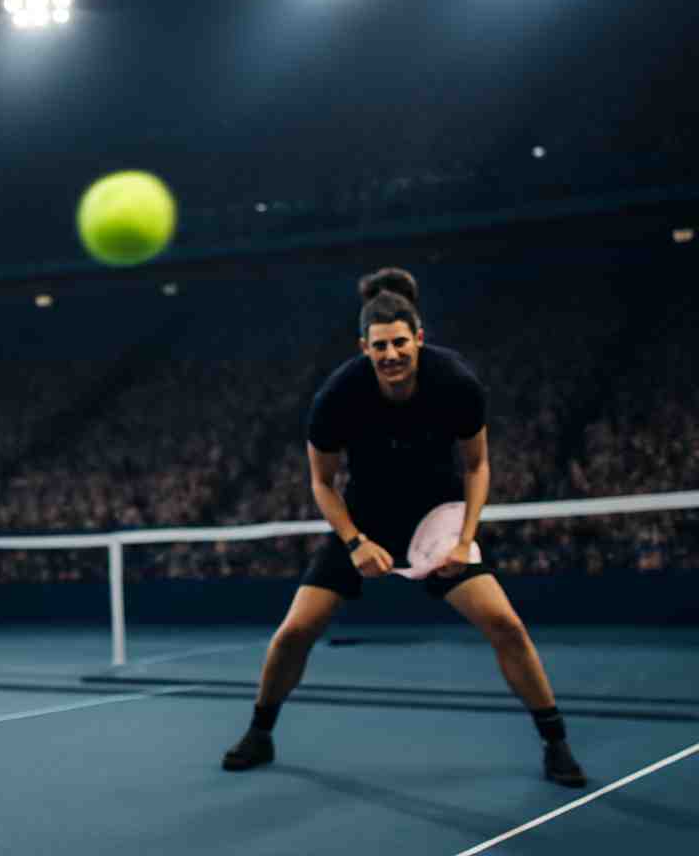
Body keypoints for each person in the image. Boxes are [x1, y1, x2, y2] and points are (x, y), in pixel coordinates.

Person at [220, 268, 586, 788]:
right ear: (363, 348)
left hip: (436, 516)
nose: (390, 355)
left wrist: (463, 540)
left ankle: (556, 742)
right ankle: (260, 732)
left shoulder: (456, 383)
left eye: (399, 343)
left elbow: (477, 466)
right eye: (378, 347)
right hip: (364, 518)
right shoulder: (337, 396)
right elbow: (322, 483)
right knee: (295, 631)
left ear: (418, 338)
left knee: (506, 625)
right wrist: (354, 542)